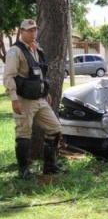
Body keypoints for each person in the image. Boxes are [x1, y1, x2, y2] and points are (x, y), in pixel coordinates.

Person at [3, 19, 65, 179]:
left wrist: (45, 91)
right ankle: (23, 170)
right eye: (29, 30)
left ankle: (49, 166)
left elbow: (40, 74)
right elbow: (9, 77)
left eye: (35, 30)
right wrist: (14, 99)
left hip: (40, 99)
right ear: (21, 32)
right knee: (24, 133)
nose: (33, 33)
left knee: (55, 128)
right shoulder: (15, 51)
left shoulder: (37, 49)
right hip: (24, 100)